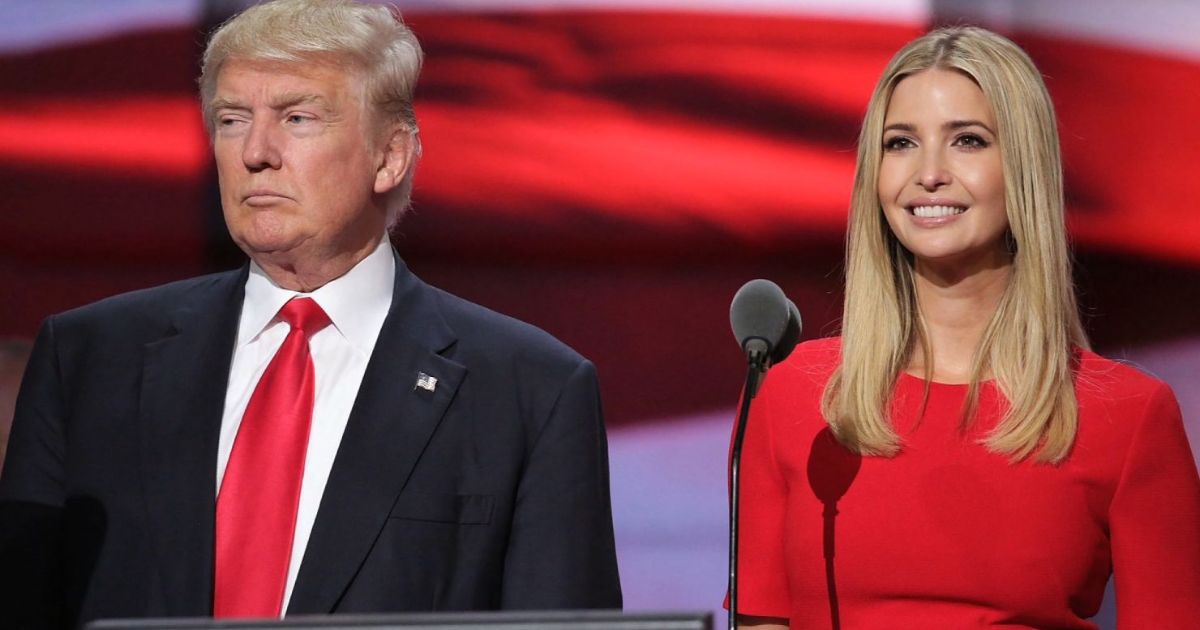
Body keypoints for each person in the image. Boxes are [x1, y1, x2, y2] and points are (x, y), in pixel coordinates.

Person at [0, 1, 621, 626]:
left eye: (297, 118)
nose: (255, 153)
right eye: (232, 120)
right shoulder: (88, 358)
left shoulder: (529, 391)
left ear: (390, 157)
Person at [733, 26, 1200, 629]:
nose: (929, 173)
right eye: (901, 143)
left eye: (968, 141)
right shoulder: (790, 395)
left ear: (1024, 168)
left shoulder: (1130, 416)